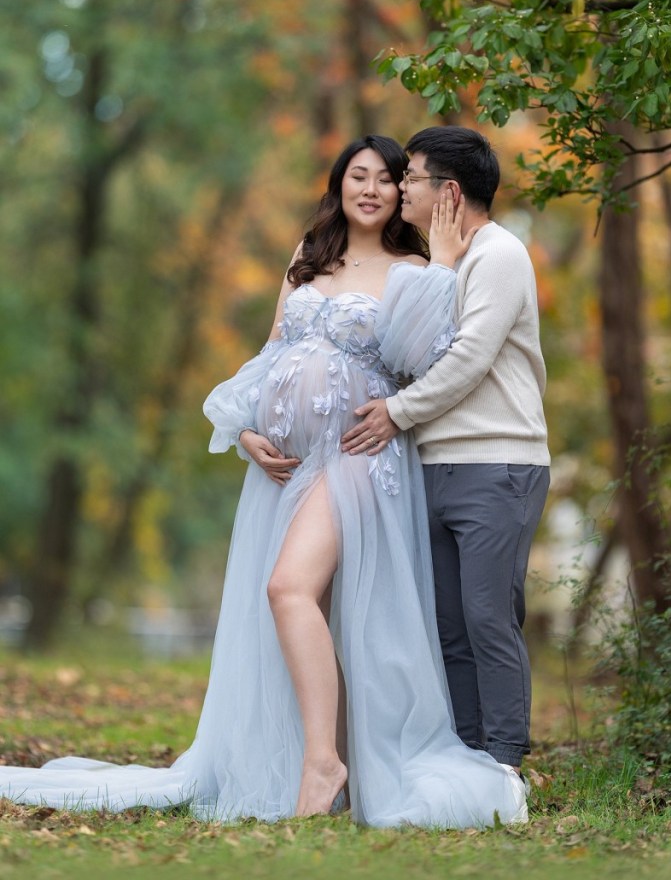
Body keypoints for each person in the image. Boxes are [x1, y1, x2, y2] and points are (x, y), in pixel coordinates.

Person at [0, 135, 527, 828]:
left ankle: (324, 763)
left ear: (403, 192)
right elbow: (272, 351)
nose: (369, 189)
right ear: (338, 184)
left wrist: (441, 272)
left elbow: (413, 360)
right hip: (290, 465)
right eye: (356, 176)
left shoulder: (415, 263)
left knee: (288, 589)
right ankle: (332, 761)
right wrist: (245, 426)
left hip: (358, 455)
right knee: (318, 608)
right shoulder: (307, 256)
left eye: (384, 179)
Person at [342, 126, 550, 777]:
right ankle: (464, 757)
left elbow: (468, 359)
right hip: (431, 465)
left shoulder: (500, 255)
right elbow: (403, 355)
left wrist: (394, 415)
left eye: (412, 176)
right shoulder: (441, 261)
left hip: (498, 463)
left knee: (489, 616)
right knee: (448, 626)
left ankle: (505, 761)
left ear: (448, 191)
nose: (399, 185)